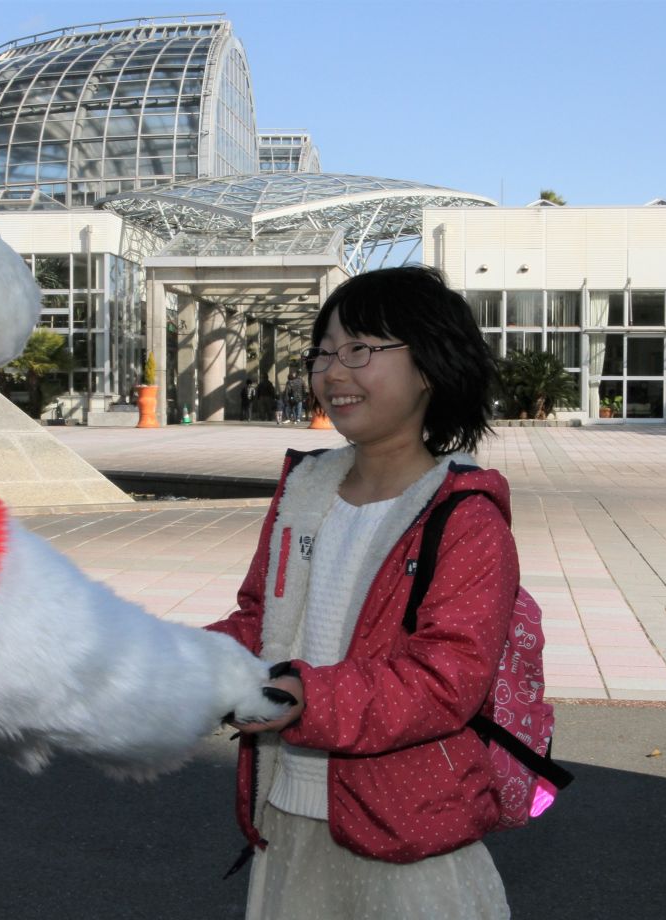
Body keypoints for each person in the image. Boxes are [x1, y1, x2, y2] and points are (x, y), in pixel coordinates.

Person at [208, 265, 515, 919]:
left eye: (360, 350)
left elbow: (446, 678)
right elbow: (261, 620)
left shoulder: (464, 516)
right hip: (289, 807)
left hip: (407, 829)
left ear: (429, 367)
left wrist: (306, 697)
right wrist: (181, 660)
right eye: (323, 352)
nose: (333, 372)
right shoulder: (305, 489)